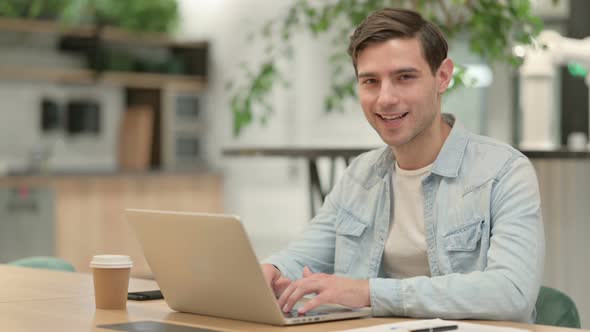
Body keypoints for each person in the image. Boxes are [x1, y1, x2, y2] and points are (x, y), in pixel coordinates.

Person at [261, 8, 544, 323]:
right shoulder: (359, 176)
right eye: (370, 81)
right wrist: (269, 273)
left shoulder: (504, 171)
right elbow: (302, 256)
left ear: (442, 76)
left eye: (404, 77)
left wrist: (368, 292)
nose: (385, 98)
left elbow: (512, 293)